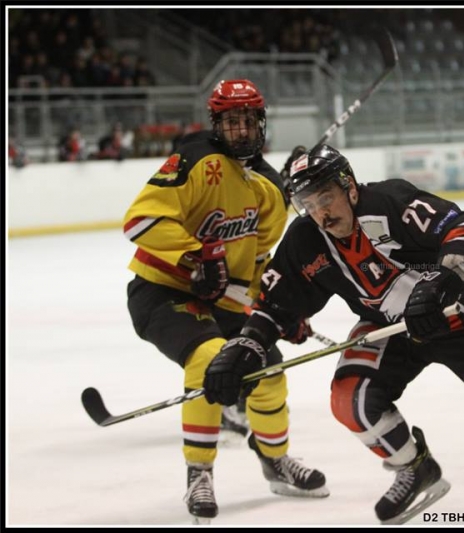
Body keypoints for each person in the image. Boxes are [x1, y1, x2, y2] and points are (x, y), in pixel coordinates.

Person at [202, 144, 464, 525]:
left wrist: (440, 282)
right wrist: (245, 346)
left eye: (326, 198)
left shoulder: (392, 203)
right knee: (349, 399)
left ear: (349, 187)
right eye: (308, 203)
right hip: (391, 328)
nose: (320, 212)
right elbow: (276, 305)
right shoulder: (305, 241)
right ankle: (414, 467)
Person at [123, 79, 328, 524]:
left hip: (224, 301)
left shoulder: (271, 189)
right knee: (210, 360)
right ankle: (199, 473)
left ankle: (275, 460)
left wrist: (278, 311)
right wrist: (195, 256)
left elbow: (255, 265)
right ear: (216, 124)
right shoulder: (195, 160)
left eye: (247, 120)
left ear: (261, 123)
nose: (239, 130)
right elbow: (139, 221)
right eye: (230, 121)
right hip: (162, 291)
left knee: (268, 367)